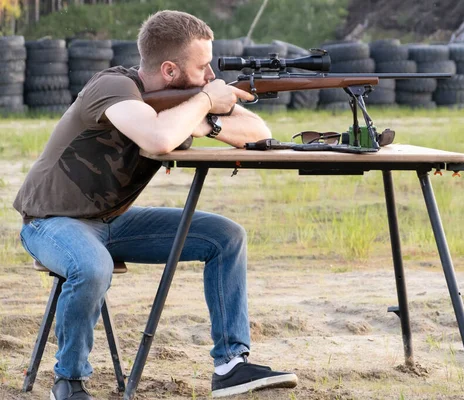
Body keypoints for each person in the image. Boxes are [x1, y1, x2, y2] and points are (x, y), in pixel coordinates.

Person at [14, 10, 298, 400]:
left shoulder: (183, 102)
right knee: (92, 267)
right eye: (202, 68)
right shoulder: (112, 87)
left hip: (113, 222)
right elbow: (159, 139)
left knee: (225, 236)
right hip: (51, 222)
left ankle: (231, 365)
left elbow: (258, 132)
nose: (211, 77)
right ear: (168, 70)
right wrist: (202, 104)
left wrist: (205, 120)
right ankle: (70, 381)